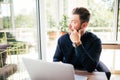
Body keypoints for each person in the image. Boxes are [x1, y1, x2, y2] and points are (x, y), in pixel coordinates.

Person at [53, 7, 111, 80]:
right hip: (68, 75)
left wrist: (77, 43)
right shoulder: (62, 39)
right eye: (70, 21)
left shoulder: (95, 41)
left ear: (84, 25)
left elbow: (90, 68)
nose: (70, 25)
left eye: (74, 22)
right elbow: (56, 59)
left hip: (87, 75)